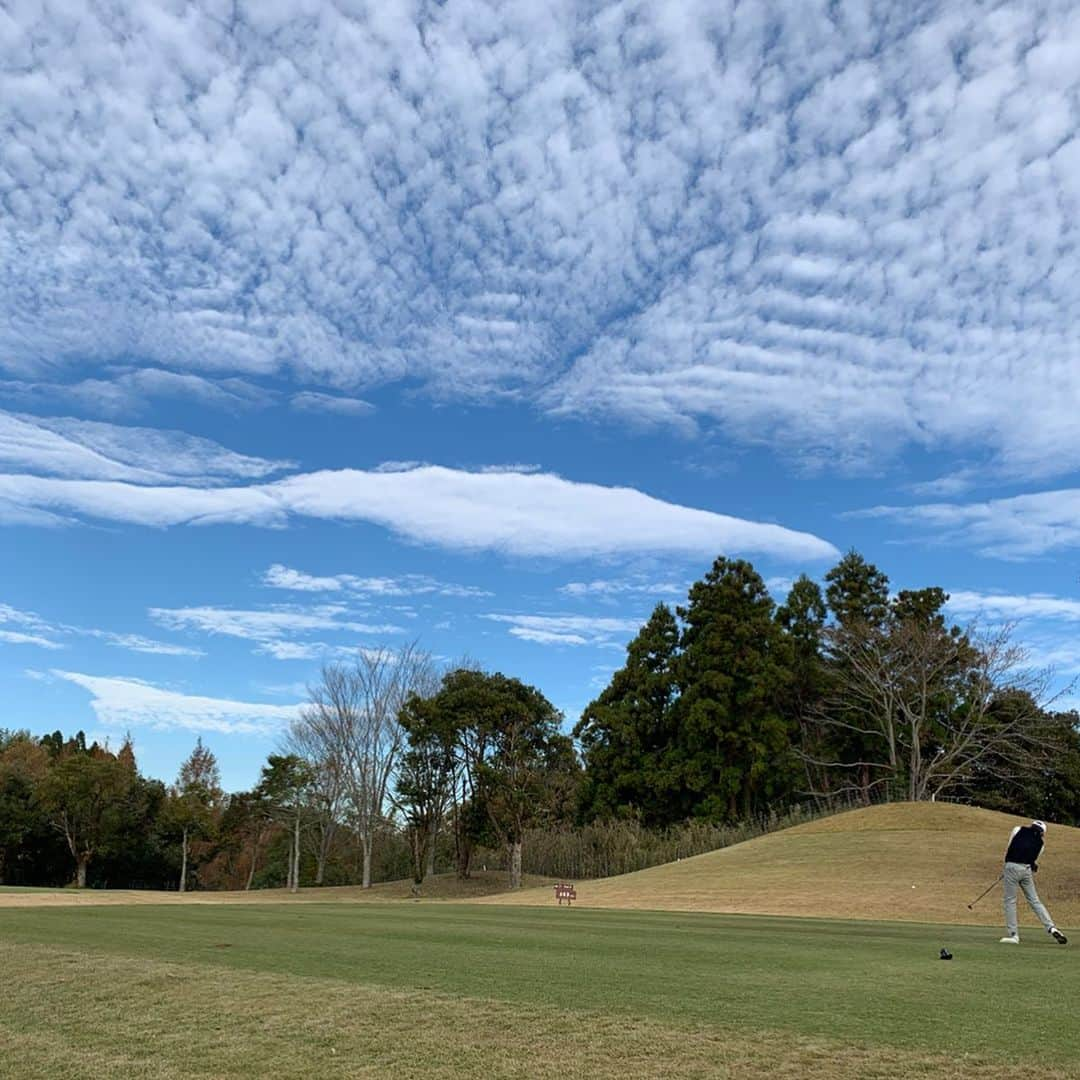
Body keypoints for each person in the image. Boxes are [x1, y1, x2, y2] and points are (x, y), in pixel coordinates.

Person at [999, 819, 1067, 945]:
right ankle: (1052, 928)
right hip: (1026, 870)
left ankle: (1014, 935)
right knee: (1035, 901)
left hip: (1011, 866)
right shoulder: (1041, 844)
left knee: (1010, 901)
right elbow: (1033, 860)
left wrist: (1008, 867)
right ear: (1042, 833)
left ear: (1032, 826)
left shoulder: (1018, 829)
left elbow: (1010, 847)